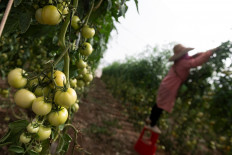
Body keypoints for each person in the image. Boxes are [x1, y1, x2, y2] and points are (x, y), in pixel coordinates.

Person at [146, 44, 219, 134]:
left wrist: (208, 51)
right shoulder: (183, 62)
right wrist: (209, 53)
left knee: (159, 103)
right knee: (161, 106)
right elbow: (195, 62)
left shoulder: (181, 61)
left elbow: (194, 58)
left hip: (166, 85)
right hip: (169, 86)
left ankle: (150, 119)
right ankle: (152, 124)